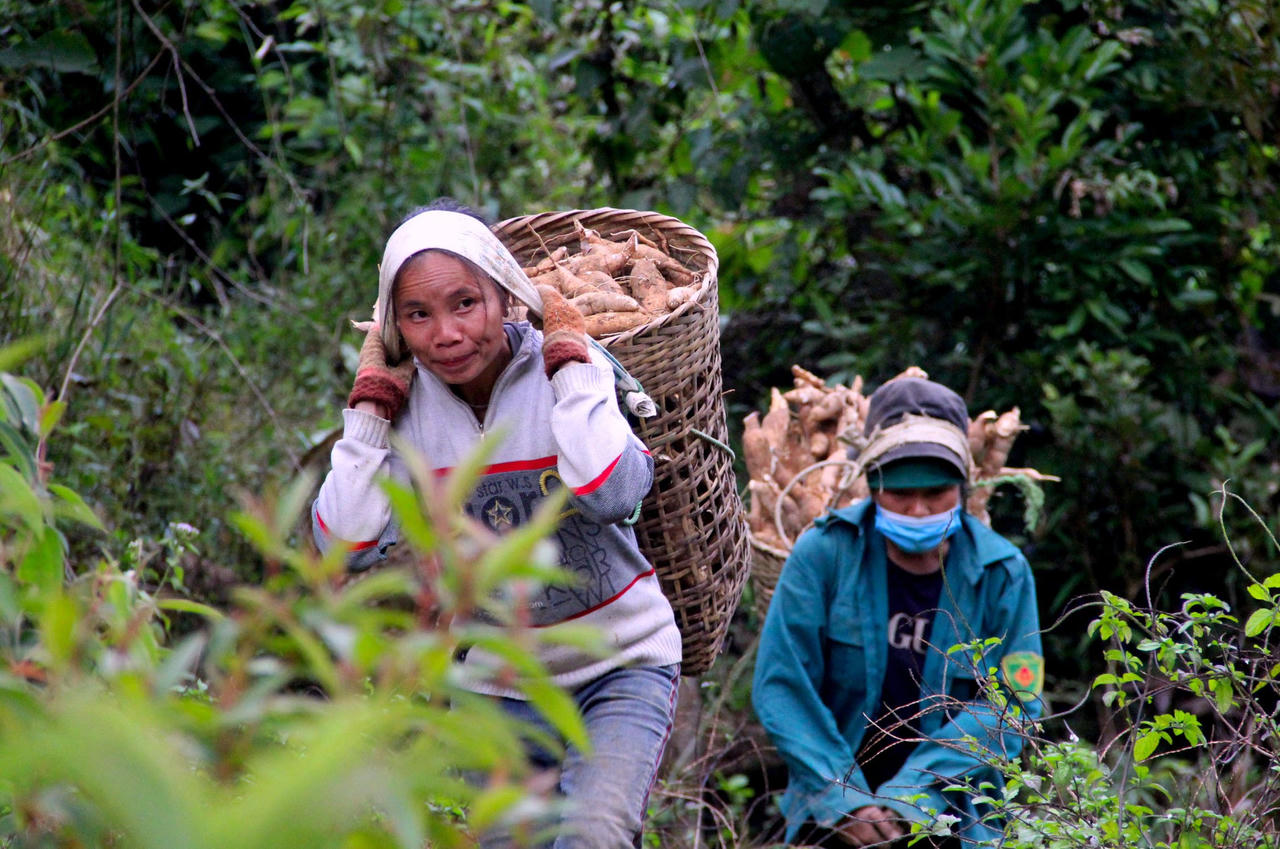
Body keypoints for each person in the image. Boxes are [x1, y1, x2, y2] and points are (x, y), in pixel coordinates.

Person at [312, 201, 683, 849]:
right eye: (417, 315)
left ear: (506, 295)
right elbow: (343, 543)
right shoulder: (408, 410)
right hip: (500, 683)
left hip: (622, 662)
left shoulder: (568, 368)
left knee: (593, 834)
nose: (446, 333)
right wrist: (370, 409)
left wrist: (569, 360)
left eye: (465, 303)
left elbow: (611, 489)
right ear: (393, 324)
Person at [752, 376, 1044, 848]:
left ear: (963, 487)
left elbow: (1014, 703)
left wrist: (912, 796)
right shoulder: (823, 554)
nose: (917, 509)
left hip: (956, 818)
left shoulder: (1003, 574)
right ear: (871, 485)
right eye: (900, 494)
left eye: (936, 494)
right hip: (831, 818)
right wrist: (847, 802)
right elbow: (782, 688)